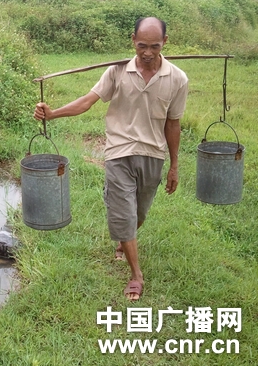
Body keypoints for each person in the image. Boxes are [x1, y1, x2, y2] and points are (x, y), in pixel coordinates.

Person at [33, 17, 188, 301]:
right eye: (142, 46)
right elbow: (87, 100)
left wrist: (174, 165)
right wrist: (53, 114)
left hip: (153, 154)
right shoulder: (117, 72)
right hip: (119, 152)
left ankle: (122, 240)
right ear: (133, 41)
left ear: (165, 42)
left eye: (154, 46)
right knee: (123, 213)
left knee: (138, 214)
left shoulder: (177, 78)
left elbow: (173, 123)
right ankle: (136, 275)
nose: (148, 53)